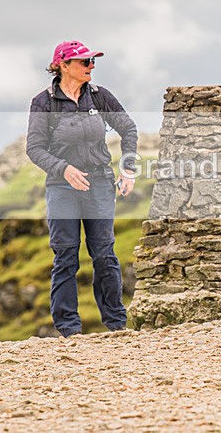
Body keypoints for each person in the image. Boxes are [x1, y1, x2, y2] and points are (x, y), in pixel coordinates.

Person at [26, 41, 137, 337]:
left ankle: (116, 325)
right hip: (62, 187)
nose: (91, 66)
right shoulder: (43, 103)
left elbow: (128, 129)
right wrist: (63, 168)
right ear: (63, 66)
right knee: (66, 256)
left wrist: (128, 169)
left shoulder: (100, 96)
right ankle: (69, 329)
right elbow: (34, 149)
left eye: (92, 61)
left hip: (99, 184)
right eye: (85, 62)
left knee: (104, 254)